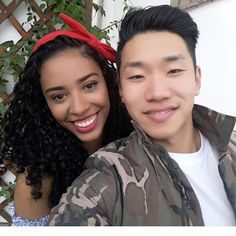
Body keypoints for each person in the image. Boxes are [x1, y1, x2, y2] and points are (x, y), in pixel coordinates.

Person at [47, 5, 236, 226]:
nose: (157, 93)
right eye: (137, 76)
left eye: (173, 71)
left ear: (196, 79)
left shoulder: (230, 143)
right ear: (120, 90)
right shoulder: (107, 179)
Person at [0, 13, 133, 226]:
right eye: (59, 97)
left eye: (89, 86)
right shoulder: (38, 178)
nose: (79, 107)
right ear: (44, 103)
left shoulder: (135, 140)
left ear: (107, 82)